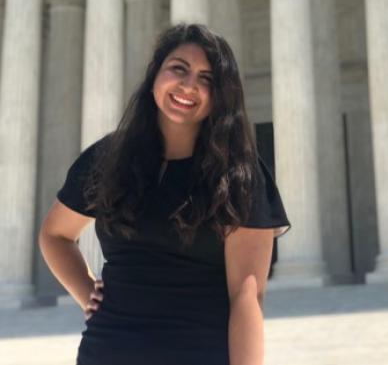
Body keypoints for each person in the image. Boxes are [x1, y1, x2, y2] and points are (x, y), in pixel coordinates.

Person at [39, 22, 291, 365]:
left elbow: (246, 296)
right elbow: (55, 234)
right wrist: (88, 294)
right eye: (179, 69)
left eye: (207, 79)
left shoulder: (238, 174)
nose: (189, 86)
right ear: (155, 74)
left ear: (220, 95)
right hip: (106, 352)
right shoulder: (109, 159)